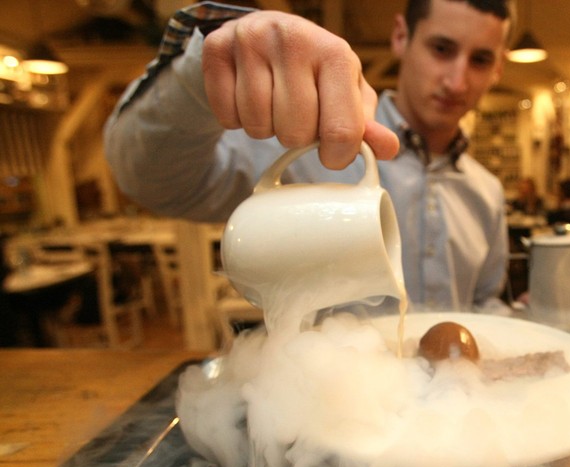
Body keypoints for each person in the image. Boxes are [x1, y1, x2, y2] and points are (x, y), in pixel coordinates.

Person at [104, 0, 513, 313]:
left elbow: (483, 303)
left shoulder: (487, 192)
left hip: (453, 396)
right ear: (401, 37)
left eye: (480, 60)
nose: (457, 81)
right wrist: (204, 76)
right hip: (321, 392)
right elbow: (153, 180)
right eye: (441, 49)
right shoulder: (300, 140)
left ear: (498, 69)